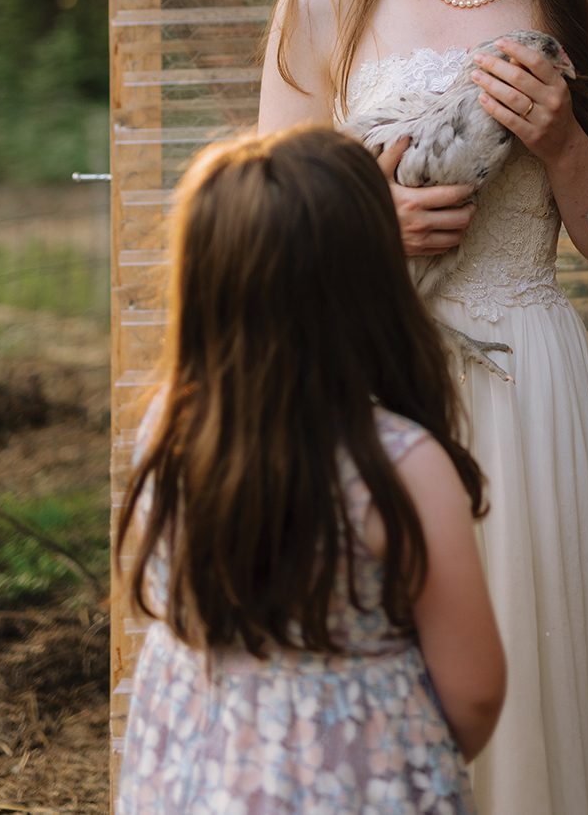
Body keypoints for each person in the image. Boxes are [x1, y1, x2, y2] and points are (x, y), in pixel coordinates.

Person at [258, 0, 588, 815]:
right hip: (371, 382)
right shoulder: (326, 4)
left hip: (532, 385)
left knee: (525, 694)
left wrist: (566, 142)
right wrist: (365, 230)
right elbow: (267, 230)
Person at [116, 126, 505, 815]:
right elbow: (473, 691)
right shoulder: (402, 466)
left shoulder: (167, 436)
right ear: (370, 282)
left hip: (194, 781)